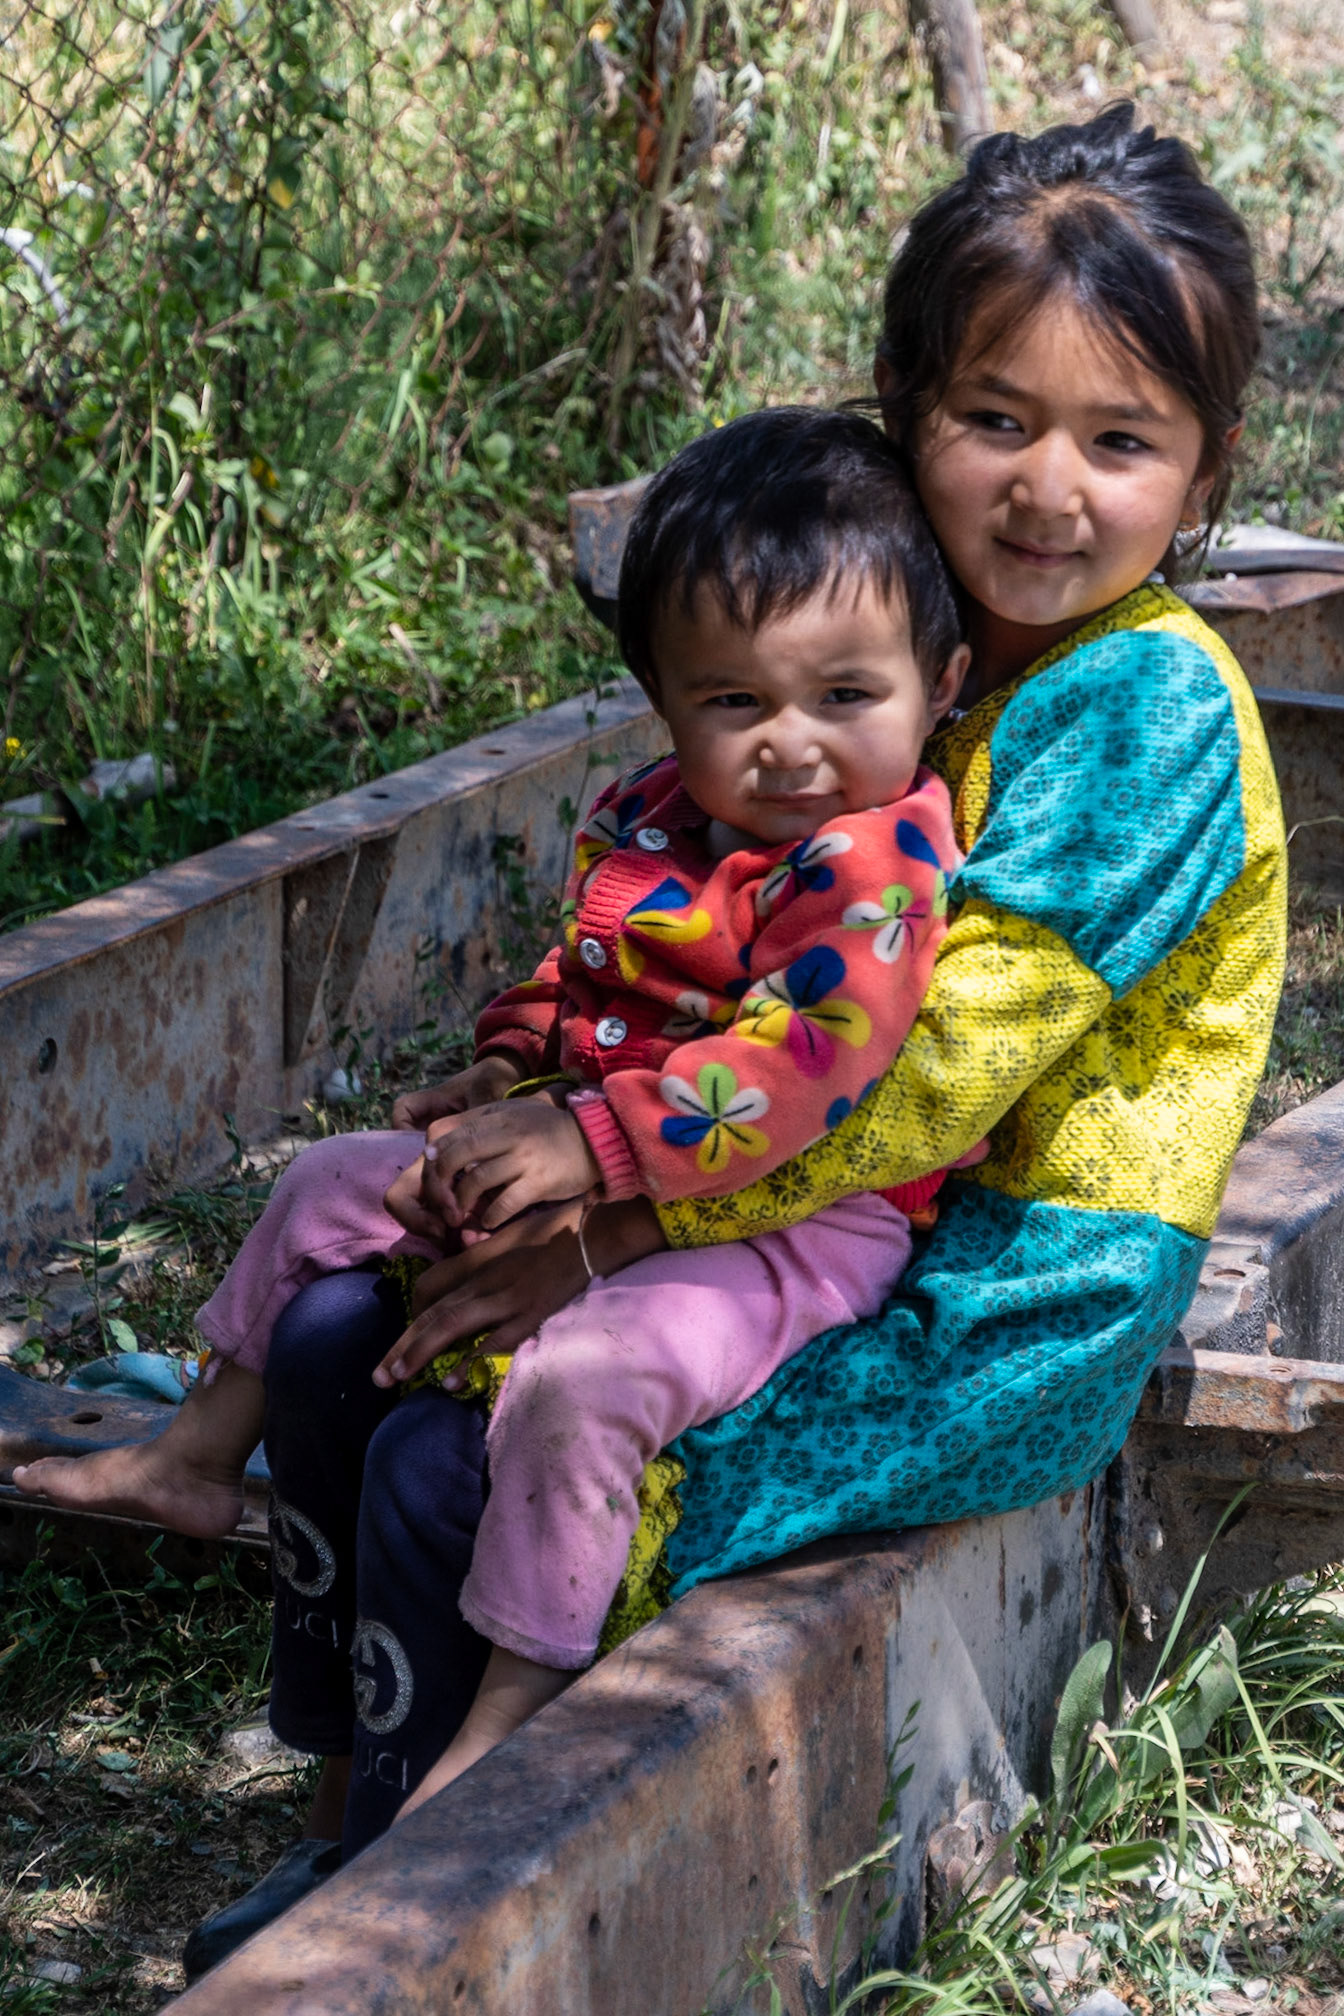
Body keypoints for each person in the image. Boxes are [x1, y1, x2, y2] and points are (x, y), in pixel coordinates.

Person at [18, 97, 1287, 1966]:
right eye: (994, 420)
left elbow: (925, 1065)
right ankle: (350, 1807)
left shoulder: (1143, 710)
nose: (1047, 490)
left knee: (464, 1447)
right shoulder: (903, 636)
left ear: (1204, 468)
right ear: (904, 406)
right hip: (784, 1195)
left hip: (1004, 1291)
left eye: (1122, 442)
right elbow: (696, 922)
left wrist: (601, 1218)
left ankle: (433, 1893)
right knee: (351, 1328)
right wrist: (546, 1092)